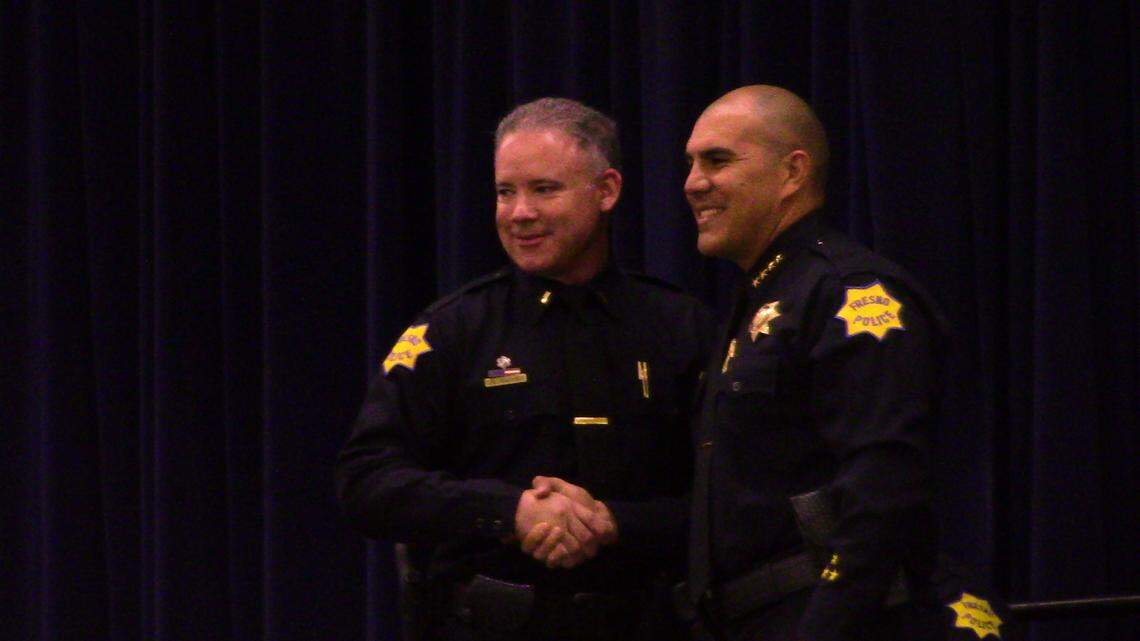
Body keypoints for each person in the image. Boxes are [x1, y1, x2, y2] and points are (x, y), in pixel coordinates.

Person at [337, 97, 711, 641]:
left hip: (647, 622)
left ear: (607, 190)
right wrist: (509, 511)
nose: (519, 213)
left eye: (544, 189)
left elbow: (728, 499)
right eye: (504, 192)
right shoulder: (453, 331)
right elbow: (365, 482)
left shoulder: (681, 327)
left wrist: (614, 523)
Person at [682, 85, 1008, 641]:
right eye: (690, 164)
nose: (693, 183)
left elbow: (883, 496)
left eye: (718, 161)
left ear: (793, 173)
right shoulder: (764, 299)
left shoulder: (850, 295)